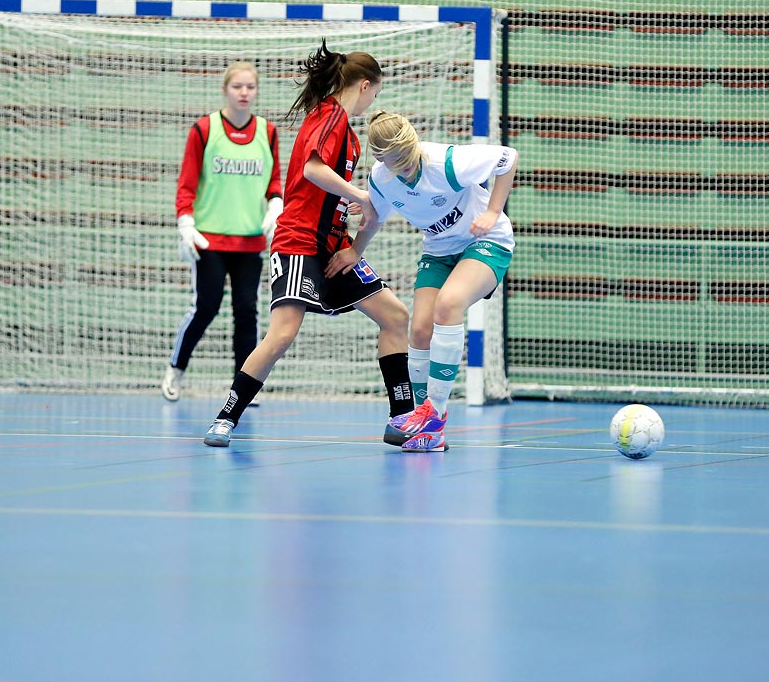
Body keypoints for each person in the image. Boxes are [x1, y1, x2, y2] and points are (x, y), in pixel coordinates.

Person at [202, 41, 413, 448]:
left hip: (334, 246)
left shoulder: (347, 132)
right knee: (282, 334)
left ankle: (402, 418)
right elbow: (313, 170)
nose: (373, 102)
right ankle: (225, 417)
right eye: (376, 93)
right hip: (299, 241)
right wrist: (360, 196)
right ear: (365, 86)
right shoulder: (330, 114)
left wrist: (351, 229)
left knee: (394, 315)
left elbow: (326, 187)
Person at [355, 111, 519, 453]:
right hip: (439, 249)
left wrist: (491, 211)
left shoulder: (447, 162)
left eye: (408, 156)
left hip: (486, 241)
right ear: (380, 158)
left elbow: (507, 158)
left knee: (448, 305)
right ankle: (426, 428)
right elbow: (374, 218)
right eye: (395, 161)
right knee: (419, 329)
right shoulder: (382, 179)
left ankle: (435, 415)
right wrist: (354, 252)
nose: (407, 166)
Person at [161, 61, 283, 401]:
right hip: (209, 240)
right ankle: (175, 368)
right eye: (237, 86)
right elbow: (186, 184)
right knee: (206, 306)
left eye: (250, 87)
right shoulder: (204, 129)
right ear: (225, 90)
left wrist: (275, 204)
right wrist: (185, 222)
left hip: (250, 242)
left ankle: (243, 387)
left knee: (247, 311)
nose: (244, 93)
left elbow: (273, 182)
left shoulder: (268, 132)